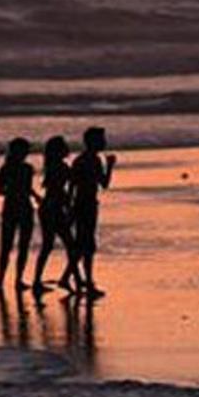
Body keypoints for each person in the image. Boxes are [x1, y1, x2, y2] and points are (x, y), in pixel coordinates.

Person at [66, 126, 116, 297]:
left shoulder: (82, 160)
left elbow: (72, 186)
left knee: (83, 245)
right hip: (85, 205)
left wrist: (70, 206)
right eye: (101, 140)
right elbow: (104, 184)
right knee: (87, 245)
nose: (104, 142)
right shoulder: (91, 161)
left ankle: (73, 278)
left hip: (83, 204)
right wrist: (110, 166)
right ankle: (86, 280)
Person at [32, 135, 81, 294]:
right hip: (53, 209)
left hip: (48, 208)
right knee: (70, 246)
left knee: (49, 245)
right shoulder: (61, 167)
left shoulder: (52, 166)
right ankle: (69, 279)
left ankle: (39, 280)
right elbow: (62, 190)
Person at [0, 137, 39, 293]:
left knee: (14, 245)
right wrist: (18, 191)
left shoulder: (14, 168)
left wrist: (35, 196)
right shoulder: (15, 169)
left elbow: (2, 190)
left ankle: (9, 279)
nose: (26, 153)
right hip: (18, 207)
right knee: (11, 245)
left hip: (16, 207)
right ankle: (6, 279)